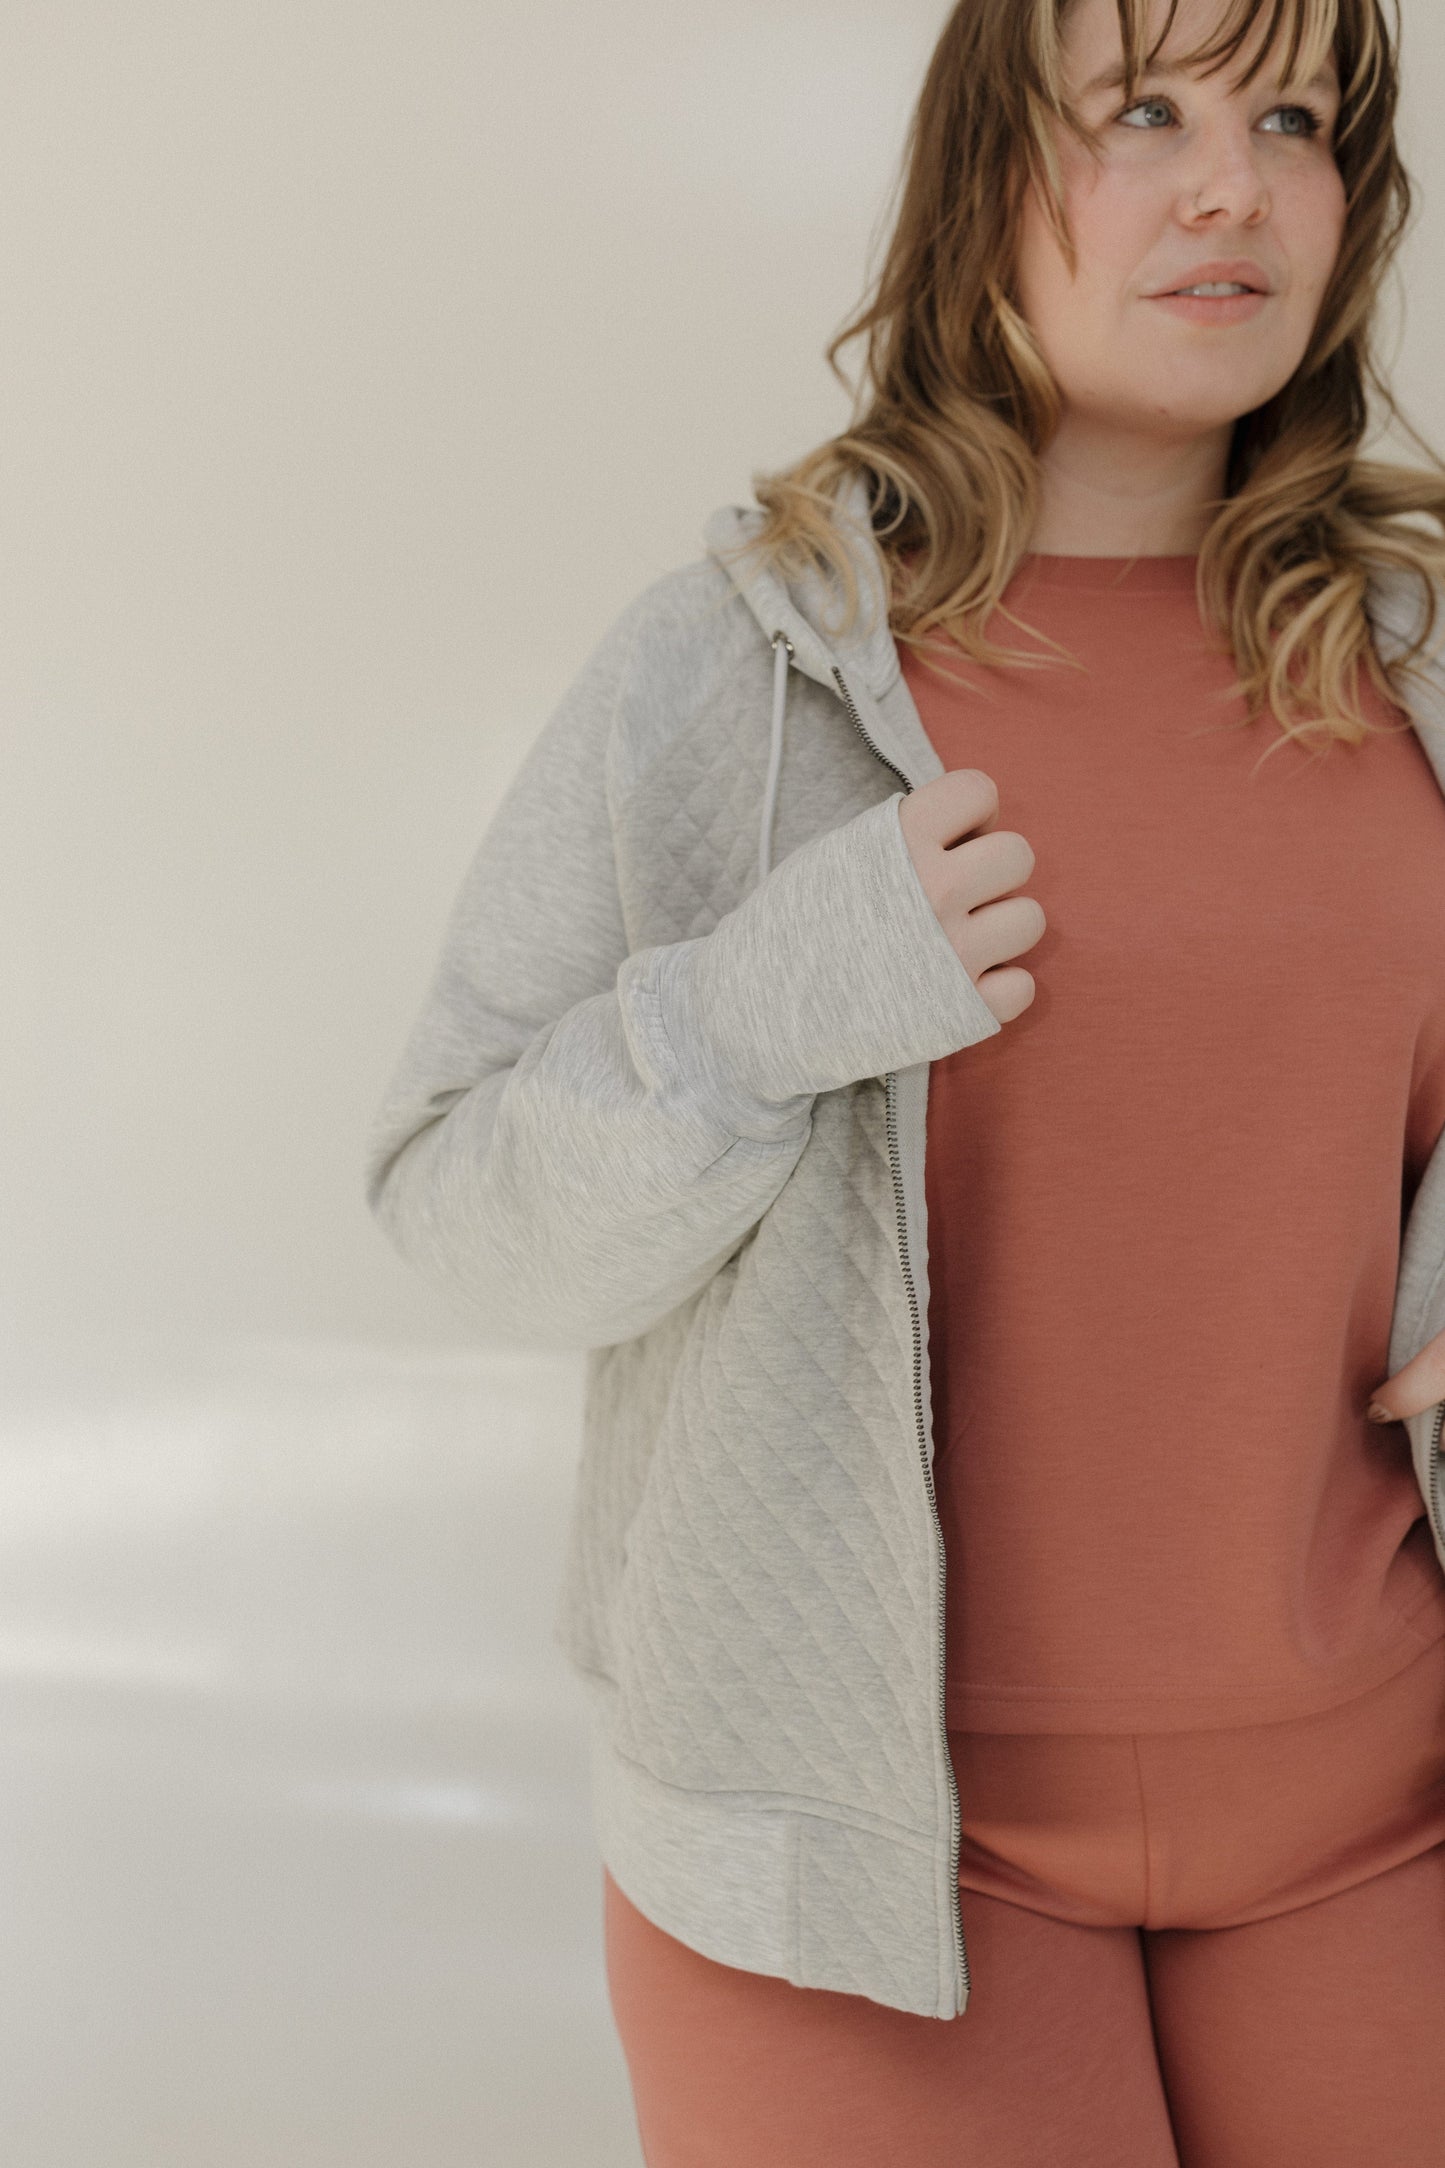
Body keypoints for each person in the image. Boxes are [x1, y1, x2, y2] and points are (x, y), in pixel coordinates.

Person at [363, 0, 1445, 2158]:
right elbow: (453, 1202)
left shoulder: (1414, 651)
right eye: (1141, 109)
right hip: (857, 1867)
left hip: (1382, 1813)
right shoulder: (733, 668)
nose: (1235, 181)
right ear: (978, 186)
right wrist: (758, 1009)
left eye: (1295, 117)